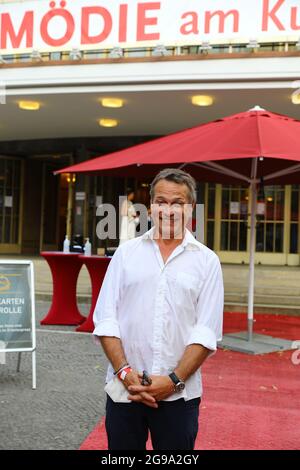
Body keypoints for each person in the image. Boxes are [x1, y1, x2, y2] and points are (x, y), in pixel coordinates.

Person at [93, 168, 224, 450]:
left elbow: (206, 331)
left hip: (179, 395)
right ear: (150, 207)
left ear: (191, 209)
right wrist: (125, 373)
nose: (169, 210)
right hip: (124, 392)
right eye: (161, 202)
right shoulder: (126, 254)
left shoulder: (207, 262)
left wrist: (172, 381)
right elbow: (106, 319)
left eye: (178, 203)